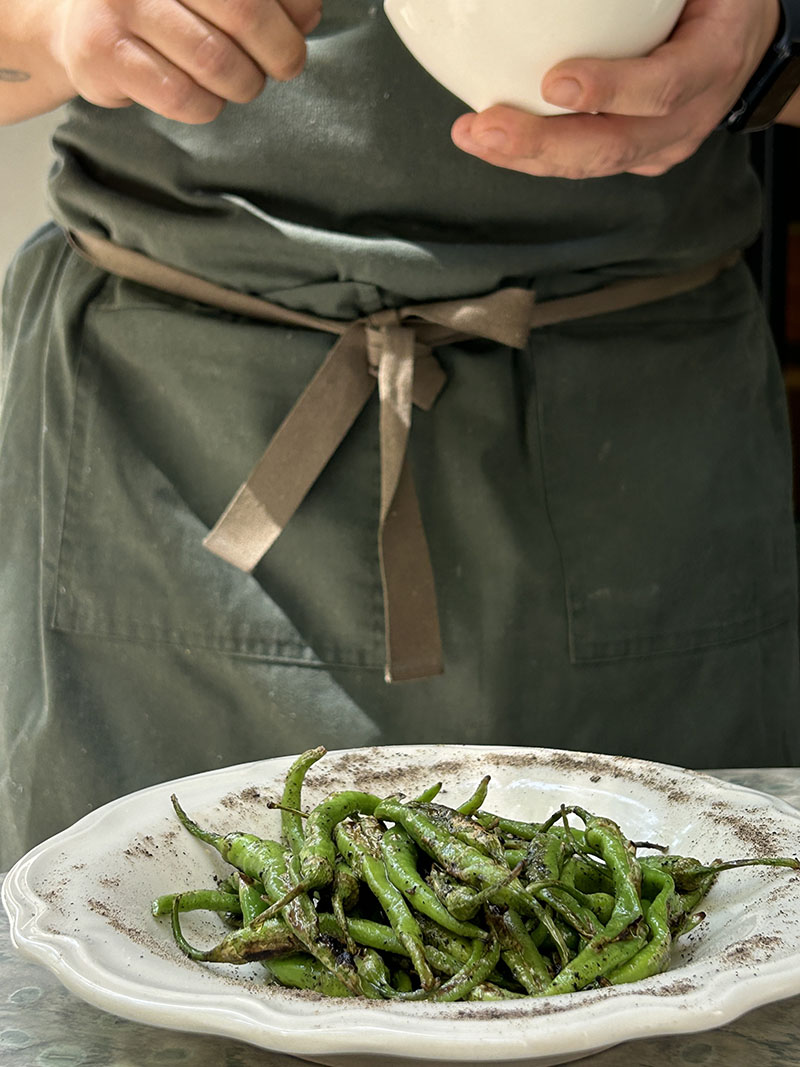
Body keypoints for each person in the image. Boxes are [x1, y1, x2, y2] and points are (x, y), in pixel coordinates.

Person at [1, 0, 799, 868]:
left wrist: (776, 39)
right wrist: (50, 20)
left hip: (642, 446)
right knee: (132, 958)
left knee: (676, 946)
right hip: (167, 444)